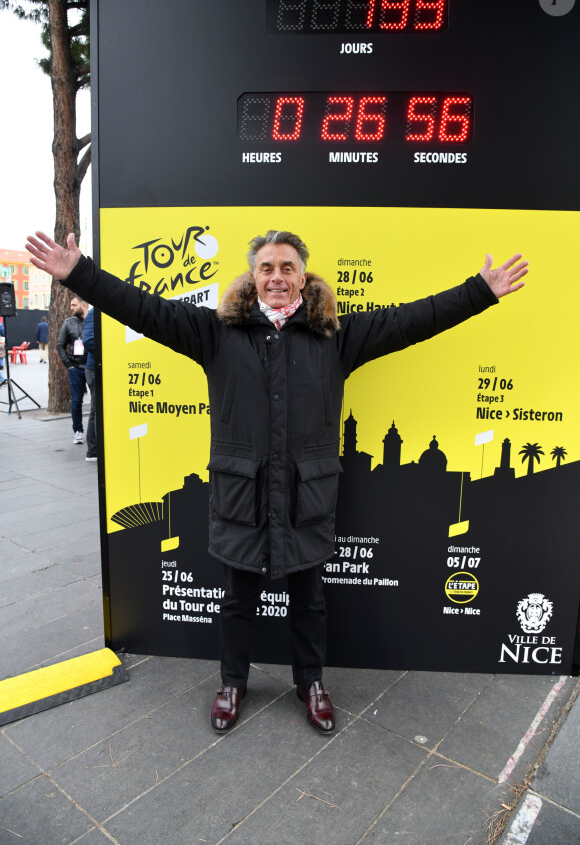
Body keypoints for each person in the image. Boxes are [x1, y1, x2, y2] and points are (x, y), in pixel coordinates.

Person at [26, 229, 528, 735]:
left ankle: (311, 683)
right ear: (253, 277)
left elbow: (412, 320)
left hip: (305, 496)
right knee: (238, 599)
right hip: (242, 495)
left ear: (303, 277)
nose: (277, 278)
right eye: (267, 268)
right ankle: (232, 683)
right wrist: (81, 273)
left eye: (288, 268)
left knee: (309, 600)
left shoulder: (335, 337)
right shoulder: (216, 333)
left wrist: (480, 291)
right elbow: (143, 308)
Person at [57, 294, 88, 444]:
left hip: (91, 367)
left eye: (74, 305)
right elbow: (60, 345)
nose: (71, 308)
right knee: (76, 402)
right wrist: (68, 365)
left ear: (83, 305)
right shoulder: (68, 323)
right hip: (75, 368)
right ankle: (78, 431)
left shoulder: (92, 321)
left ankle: (98, 432)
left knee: (97, 401)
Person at [83, 306, 98, 461]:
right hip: (95, 368)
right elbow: (88, 341)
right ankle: (94, 450)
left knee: (96, 408)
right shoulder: (95, 312)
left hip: (96, 367)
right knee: (97, 409)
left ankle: (94, 449)